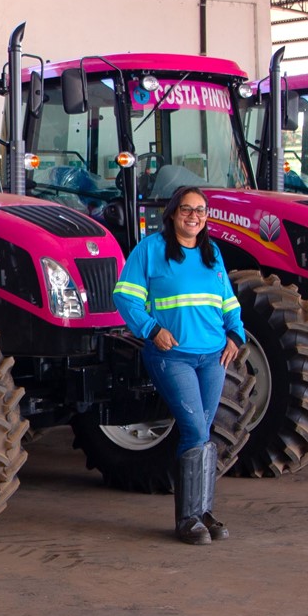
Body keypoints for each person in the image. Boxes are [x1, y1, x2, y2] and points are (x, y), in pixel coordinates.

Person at [116, 187, 245, 545]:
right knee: (193, 430)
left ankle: (202, 513)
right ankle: (187, 519)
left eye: (200, 210)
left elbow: (229, 302)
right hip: (173, 357)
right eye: (186, 209)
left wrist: (236, 335)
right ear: (172, 213)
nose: (193, 216)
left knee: (204, 432)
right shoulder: (151, 251)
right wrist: (151, 330)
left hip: (213, 357)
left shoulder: (211, 252)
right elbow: (125, 297)